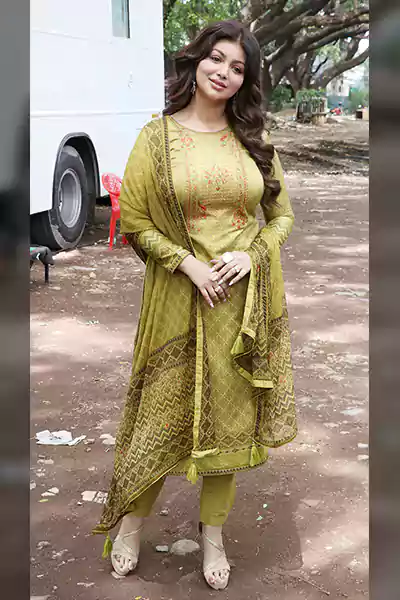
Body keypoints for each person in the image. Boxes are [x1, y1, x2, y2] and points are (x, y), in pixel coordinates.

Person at [94, 19, 297, 590]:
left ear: (246, 81)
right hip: (178, 300)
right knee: (160, 418)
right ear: (196, 61)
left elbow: (281, 217)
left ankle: (213, 537)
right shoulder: (156, 138)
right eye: (217, 59)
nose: (224, 73)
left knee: (228, 429)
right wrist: (187, 262)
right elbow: (135, 221)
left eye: (238, 68)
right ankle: (131, 526)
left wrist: (251, 256)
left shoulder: (253, 140)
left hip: (237, 307)